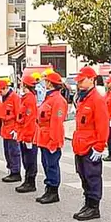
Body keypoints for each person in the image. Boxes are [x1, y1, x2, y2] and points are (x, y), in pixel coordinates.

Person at [71, 66, 109, 221]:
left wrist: (100, 146)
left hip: (91, 145)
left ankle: (94, 207)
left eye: (82, 80)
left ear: (92, 80)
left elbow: (102, 124)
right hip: (80, 144)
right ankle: (87, 203)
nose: (79, 83)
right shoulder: (83, 97)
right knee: (83, 175)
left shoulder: (96, 99)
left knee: (92, 176)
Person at [35, 71, 69, 204]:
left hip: (51, 137)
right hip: (44, 137)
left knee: (52, 165)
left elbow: (57, 123)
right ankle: (48, 189)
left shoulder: (58, 100)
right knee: (46, 164)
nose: (43, 83)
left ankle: (53, 191)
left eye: (45, 81)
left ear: (49, 83)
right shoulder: (49, 98)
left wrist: (54, 141)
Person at [15, 73, 39, 194]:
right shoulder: (24, 98)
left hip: (28, 134)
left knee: (30, 159)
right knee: (25, 158)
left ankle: (31, 182)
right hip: (23, 133)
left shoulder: (29, 99)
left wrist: (28, 137)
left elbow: (30, 119)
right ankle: (27, 180)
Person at [0, 80, 23, 183]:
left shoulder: (14, 98)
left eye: (0, 91)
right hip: (5, 128)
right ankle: (11, 169)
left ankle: (15, 172)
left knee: (14, 151)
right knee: (7, 151)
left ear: (5, 88)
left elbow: (19, 115)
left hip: (12, 128)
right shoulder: (3, 98)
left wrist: (17, 130)